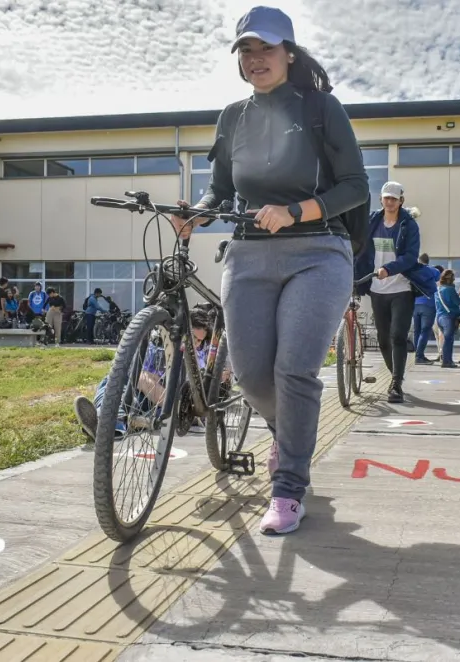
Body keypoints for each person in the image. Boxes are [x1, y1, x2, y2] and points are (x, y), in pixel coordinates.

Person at [169, 6, 369, 535]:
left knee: (294, 370)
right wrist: (198, 213)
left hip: (319, 252)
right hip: (250, 255)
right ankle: (287, 431)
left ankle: (288, 487)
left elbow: (356, 186)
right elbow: (220, 190)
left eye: (267, 48)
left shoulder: (322, 108)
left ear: (289, 54)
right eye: (247, 50)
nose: (256, 59)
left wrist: (296, 211)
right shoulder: (233, 116)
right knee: (253, 377)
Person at [74, 309, 214, 440]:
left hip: (159, 401)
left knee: (153, 411)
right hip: (135, 387)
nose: (194, 343)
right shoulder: (157, 343)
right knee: (116, 393)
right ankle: (106, 421)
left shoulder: (199, 355)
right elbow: (142, 379)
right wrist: (176, 405)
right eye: (192, 337)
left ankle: (108, 424)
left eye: (199, 340)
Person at [356, 182, 437, 401]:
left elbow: (410, 257)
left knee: (398, 336)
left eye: (394, 198)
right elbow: (360, 247)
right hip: (377, 289)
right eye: (386, 198)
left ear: (401, 201)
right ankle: (396, 375)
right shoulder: (372, 221)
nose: (390, 202)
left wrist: (389, 269)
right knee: (383, 340)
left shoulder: (409, 225)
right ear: (381, 199)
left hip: (401, 288)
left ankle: (395, 384)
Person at [434, 269, 460, 368]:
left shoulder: (438, 289)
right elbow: (457, 302)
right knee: (448, 340)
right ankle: (447, 361)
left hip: (439, 318)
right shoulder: (450, 289)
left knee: (446, 339)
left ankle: (447, 360)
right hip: (449, 317)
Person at [412, 253, 436, 365]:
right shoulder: (434, 271)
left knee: (417, 331)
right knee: (425, 331)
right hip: (428, 304)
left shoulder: (414, 271)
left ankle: (418, 355)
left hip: (415, 304)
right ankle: (419, 356)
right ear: (428, 261)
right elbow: (438, 282)